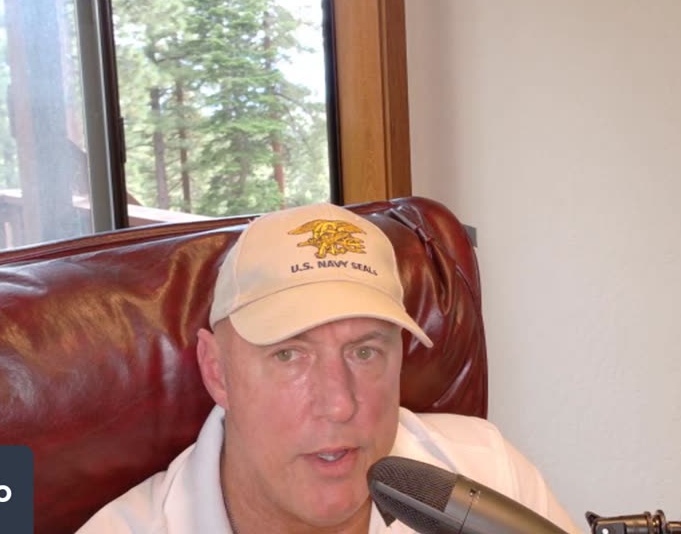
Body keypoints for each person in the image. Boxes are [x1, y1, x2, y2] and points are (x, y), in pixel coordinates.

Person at [77, 201, 579, 534]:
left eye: (365, 352)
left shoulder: (488, 478)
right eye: (288, 354)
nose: (339, 404)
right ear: (217, 371)